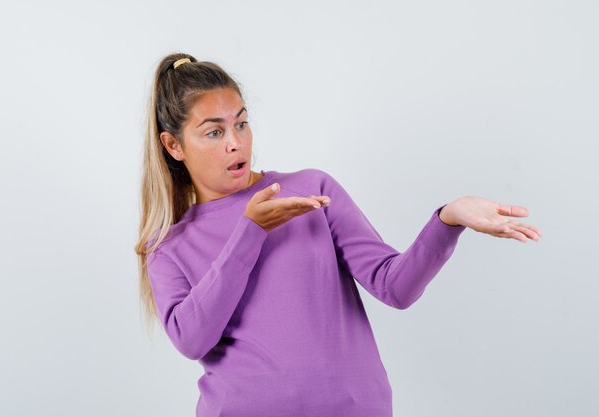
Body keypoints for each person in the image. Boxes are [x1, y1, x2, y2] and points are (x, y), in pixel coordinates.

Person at [134, 53, 542, 417]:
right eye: (214, 132)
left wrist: (448, 219)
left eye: (241, 123)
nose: (236, 143)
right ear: (174, 146)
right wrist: (251, 231)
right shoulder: (168, 247)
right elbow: (192, 340)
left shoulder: (312, 189)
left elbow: (394, 287)